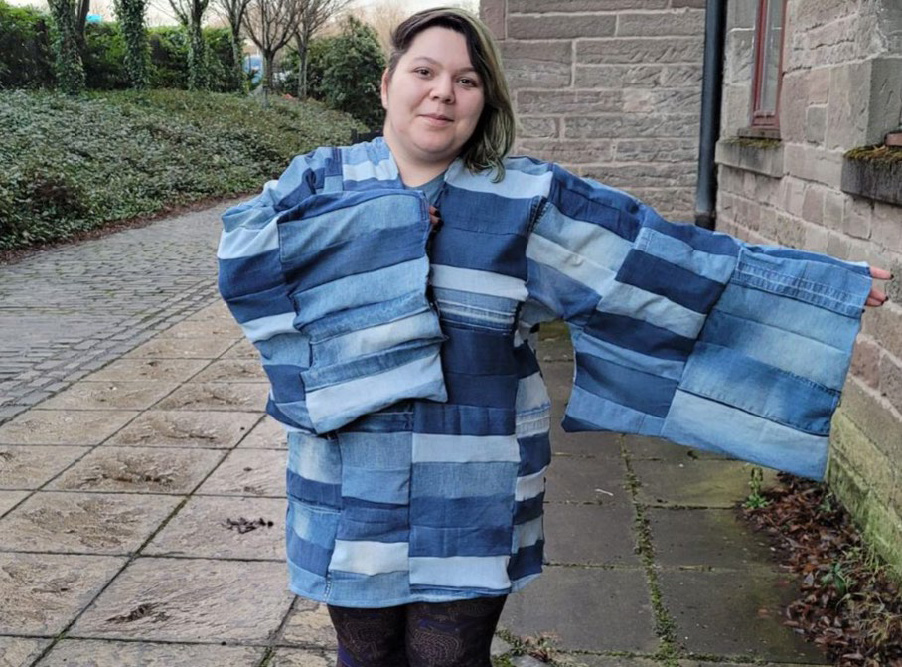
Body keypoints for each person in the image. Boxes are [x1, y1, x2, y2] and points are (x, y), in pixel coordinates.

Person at [217, 7, 890, 666]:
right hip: (348, 479)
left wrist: (821, 285)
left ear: (486, 100)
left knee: (446, 656)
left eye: (468, 79)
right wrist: (390, 230)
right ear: (386, 83)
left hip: (473, 479)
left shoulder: (525, 198)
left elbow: (662, 262)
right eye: (424, 70)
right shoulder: (317, 183)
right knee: (364, 653)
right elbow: (248, 263)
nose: (443, 91)